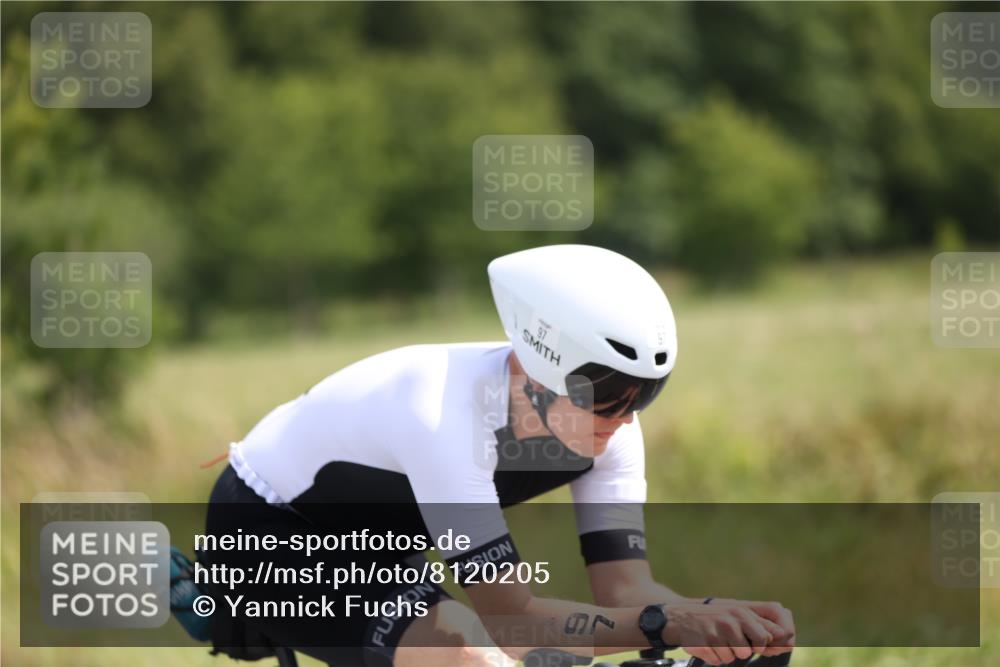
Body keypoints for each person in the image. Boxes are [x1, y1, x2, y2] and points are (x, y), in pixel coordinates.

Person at [201, 244, 795, 667]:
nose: (625, 416)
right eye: (608, 393)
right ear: (539, 371)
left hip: (387, 535)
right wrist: (665, 627)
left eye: (646, 394)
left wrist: (716, 619)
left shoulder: (613, 428)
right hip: (269, 530)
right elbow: (512, 619)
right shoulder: (443, 415)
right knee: (474, 656)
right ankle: (217, 604)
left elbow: (625, 592)